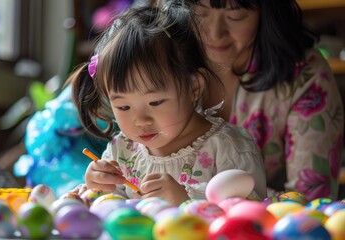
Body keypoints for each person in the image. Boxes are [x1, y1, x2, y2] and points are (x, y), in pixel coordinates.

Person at [68, 2, 267, 206]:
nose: (140, 120)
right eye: (123, 107)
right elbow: (110, 212)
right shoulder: (122, 150)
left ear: (193, 86)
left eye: (155, 102)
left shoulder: (228, 148)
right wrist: (98, 188)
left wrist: (186, 201)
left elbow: (252, 214)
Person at [182, 0, 344, 201]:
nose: (215, 33)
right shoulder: (165, 57)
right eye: (200, 12)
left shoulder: (305, 74)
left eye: (235, 15)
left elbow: (311, 201)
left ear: (266, 13)